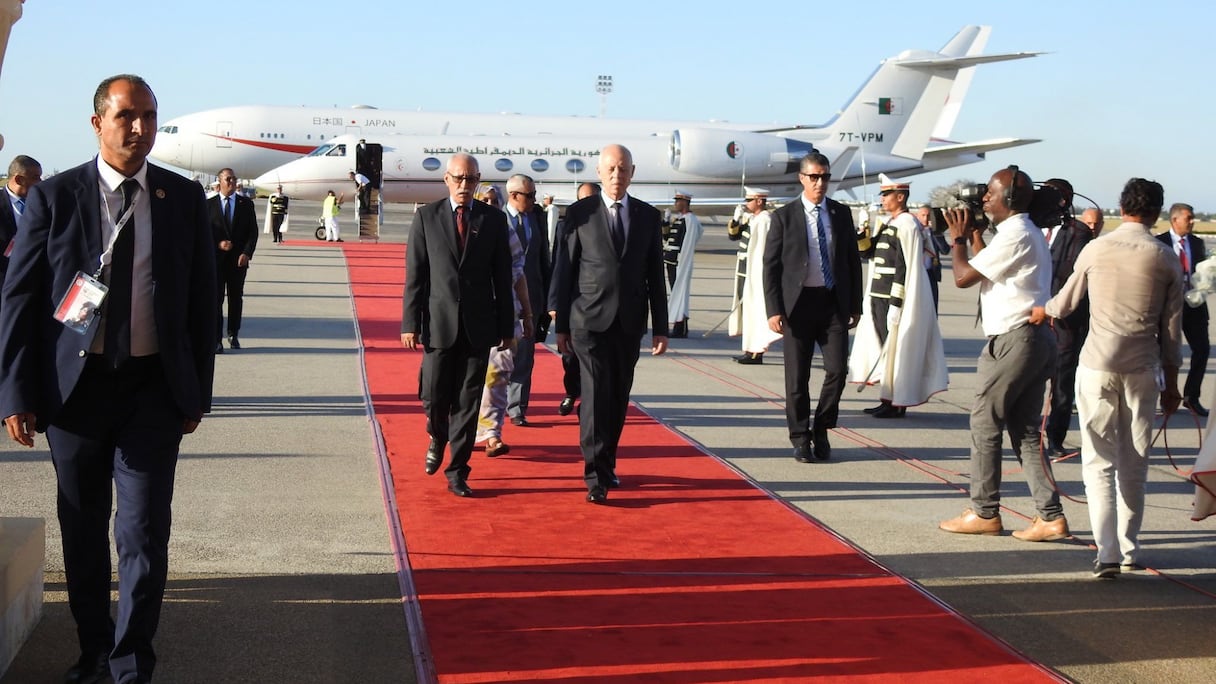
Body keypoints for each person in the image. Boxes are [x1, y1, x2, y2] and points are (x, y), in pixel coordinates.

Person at [0, 74, 216, 684]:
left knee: (143, 531)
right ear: (98, 123)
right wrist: (15, 393)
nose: (140, 129)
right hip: (75, 394)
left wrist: (195, 391)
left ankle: (131, 663)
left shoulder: (181, 197)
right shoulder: (55, 197)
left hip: (152, 390)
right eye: (126, 117)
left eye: (149, 116)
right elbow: (19, 300)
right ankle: (94, 649)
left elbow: (202, 301)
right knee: (83, 528)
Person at [1034, 177, 1182, 579]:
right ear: (1156, 212)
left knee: (1098, 462)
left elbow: (1065, 303)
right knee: (1134, 464)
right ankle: (1130, 547)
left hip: (1097, 364)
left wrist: (1042, 310)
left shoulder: (1096, 248)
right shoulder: (1165, 257)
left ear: (1122, 206)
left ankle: (1107, 552)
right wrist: (1173, 383)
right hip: (1143, 369)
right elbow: (1172, 331)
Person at [937, 165, 1068, 541]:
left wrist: (957, 240)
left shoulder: (1016, 234)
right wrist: (976, 236)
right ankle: (1050, 516)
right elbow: (988, 270)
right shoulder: (1022, 231)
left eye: (990, 194)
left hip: (1014, 340)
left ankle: (984, 511)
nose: (983, 199)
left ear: (1008, 199)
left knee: (984, 423)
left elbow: (963, 277)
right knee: (1025, 432)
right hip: (1033, 340)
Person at [551, 144, 668, 504]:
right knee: (594, 394)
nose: (617, 175)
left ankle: (607, 460)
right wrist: (560, 324)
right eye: (611, 169)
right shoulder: (579, 213)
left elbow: (655, 275)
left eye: (623, 169)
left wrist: (661, 327)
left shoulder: (648, 216)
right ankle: (595, 475)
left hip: (629, 322)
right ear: (600, 172)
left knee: (617, 396)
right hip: (587, 320)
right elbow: (565, 268)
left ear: (632, 173)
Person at [401, 153, 514, 498]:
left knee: (468, 402)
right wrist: (410, 323)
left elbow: (502, 277)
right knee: (435, 396)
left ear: (478, 180)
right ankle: (437, 435)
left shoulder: (493, 220)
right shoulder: (426, 217)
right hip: (439, 324)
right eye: (459, 178)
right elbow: (416, 275)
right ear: (447, 179)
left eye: (471, 179)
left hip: (479, 326)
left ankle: (458, 471)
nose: (465, 185)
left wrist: (507, 328)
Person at [763, 152, 863, 463]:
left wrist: (855, 304)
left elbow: (852, 261)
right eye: (814, 177)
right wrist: (773, 309)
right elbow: (770, 267)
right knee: (797, 378)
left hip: (832, 304)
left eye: (825, 177)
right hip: (798, 306)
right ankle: (800, 437)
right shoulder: (784, 217)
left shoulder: (840, 213)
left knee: (837, 371)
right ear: (802, 179)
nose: (820, 183)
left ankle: (822, 427)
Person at [848, 174, 947, 418]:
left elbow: (904, 266)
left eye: (886, 195)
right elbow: (867, 253)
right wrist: (863, 229)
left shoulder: (907, 224)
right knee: (885, 348)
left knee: (895, 349)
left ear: (900, 197)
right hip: (877, 294)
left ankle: (897, 402)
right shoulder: (890, 223)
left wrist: (896, 302)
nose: (882, 199)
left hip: (891, 296)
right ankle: (887, 397)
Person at [476, 197, 533, 457]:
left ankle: (492, 434)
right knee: (463, 378)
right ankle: (459, 429)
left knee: (497, 376)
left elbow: (519, 276)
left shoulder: (507, 233)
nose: (490, 203)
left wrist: (527, 314)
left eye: (494, 199)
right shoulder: (461, 227)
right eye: (485, 199)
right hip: (468, 315)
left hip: (503, 315)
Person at [1040, 178, 1093, 456]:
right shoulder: (1028, 227)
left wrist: (1054, 306)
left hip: (1063, 321)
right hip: (1029, 317)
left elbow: (1073, 276)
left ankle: (1055, 438)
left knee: (1062, 383)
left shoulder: (1079, 233)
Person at [548, 181, 599, 416]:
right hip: (572, 302)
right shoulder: (565, 226)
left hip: (598, 305)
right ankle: (571, 392)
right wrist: (554, 302)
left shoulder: (609, 225)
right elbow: (559, 265)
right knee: (569, 357)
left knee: (594, 359)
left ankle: (587, 402)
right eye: (582, 199)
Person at [504, 174, 551, 427]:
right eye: (529, 196)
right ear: (514, 196)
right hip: (503, 299)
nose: (534, 200)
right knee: (498, 356)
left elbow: (544, 259)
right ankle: (493, 404)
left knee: (525, 356)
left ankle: (517, 408)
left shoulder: (536, 218)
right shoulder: (496, 219)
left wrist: (548, 301)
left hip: (531, 299)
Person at [1157, 203, 1208, 416]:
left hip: (1194, 305)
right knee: (1166, 353)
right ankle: (1167, 396)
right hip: (1168, 307)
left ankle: (1191, 397)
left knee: (1202, 349)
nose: (1192, 221)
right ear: (1175, 219)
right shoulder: (1159, 242)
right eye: (1189, 218)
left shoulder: (1197, 243)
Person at [727, 187, 781, 364]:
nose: (746, 204)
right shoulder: (752, 219)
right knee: (747, 311)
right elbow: (733, 236)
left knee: (755, 310)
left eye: (749, 200)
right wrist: (736, 219)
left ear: (759, 201)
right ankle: (750, 349)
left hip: (756, 271)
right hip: (744, 270)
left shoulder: (765, 220)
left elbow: (764, 250)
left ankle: (756, 352)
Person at [209, 167, 258, 352]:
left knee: (235, 298)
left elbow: (253, 232)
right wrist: (218, 244)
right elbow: (203, 232)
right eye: (228, 179)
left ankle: (233, 334)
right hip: (217, 261)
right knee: (216, 300)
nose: (232, 182)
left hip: (238, 261)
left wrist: (246, 253)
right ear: (220, 181)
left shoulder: (246, 204)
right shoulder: (209, 205)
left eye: (234, 179)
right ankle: (216, 339)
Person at [663, 190, 703, 338]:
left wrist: (682, 259)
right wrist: (666, 221)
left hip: (679, 261)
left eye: (678, 201)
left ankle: (681, 328)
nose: (675, 204)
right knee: (676, 293)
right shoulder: (680, 219)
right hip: (671, 261)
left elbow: (688, 242)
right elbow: (667, 237)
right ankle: (678, 326)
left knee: (680, 294)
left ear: (685, 202)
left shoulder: (690, 220)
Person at [1, 154, 41, 297]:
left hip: (35, 286)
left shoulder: (43, 204)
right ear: (19, 180)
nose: (40, 182)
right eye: (35, 178)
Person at [915, 204, 945, 311]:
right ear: (917, 216)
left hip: (931, 273)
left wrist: (937, 234)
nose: (926, 219)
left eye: (928, 216)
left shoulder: (935, 232)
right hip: (917, 274)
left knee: (932, 308)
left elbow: (945, 250)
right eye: (923, 215)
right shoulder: (915, 231)